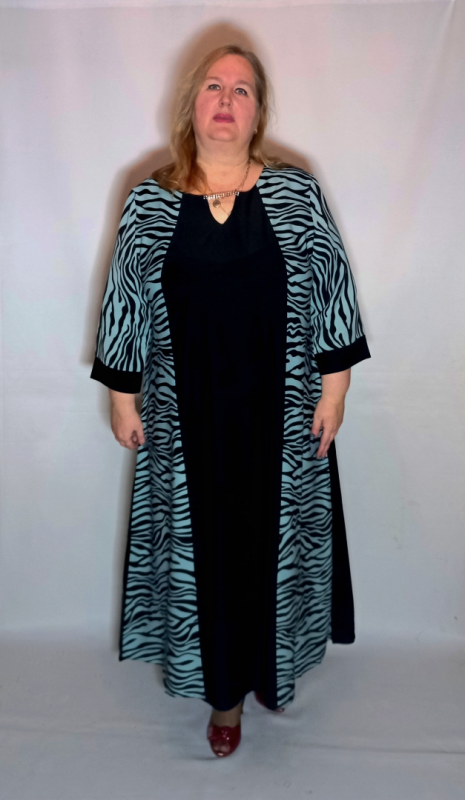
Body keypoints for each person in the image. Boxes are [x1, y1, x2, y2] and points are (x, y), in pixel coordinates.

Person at [91, 44, 371, 758]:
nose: (226, 99)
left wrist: (335, 391)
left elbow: (334, 291)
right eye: (213, 85)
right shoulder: (149, 201)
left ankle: (272, 670)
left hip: (282, 420)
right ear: (191, 103)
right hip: (187, 425)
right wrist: (123, 398)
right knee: (208, 559)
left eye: (242, 90)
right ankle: (223, 696)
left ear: (258, 110)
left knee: (276, 551)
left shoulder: (296, 193)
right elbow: (124, 303)